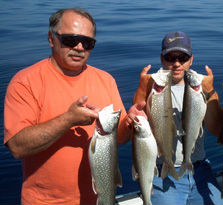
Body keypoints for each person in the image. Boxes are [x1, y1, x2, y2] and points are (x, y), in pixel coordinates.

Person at [3, 8, 138, 205]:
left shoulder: (105, 79)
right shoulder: (25, 82)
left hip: (98, 198)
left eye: (88, 42)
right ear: (51, 38)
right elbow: (16, 146)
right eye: (70, 40)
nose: (80, 47)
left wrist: (131, 122)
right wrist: (68, 120)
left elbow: (119, 137)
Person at [130, 31, 223, 205]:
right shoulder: (152, 83)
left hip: (199, 168)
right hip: (162, 170)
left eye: (182, 58)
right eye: (170, 57)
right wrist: (142, 89)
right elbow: (137, 123)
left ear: (191, 59)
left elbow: (216, 129)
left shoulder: (200, 84)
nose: (176, 64)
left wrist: (211, 93)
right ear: (162, 59)